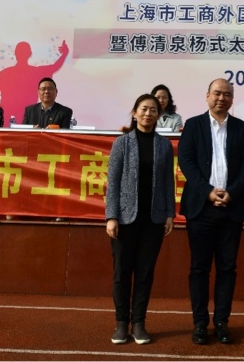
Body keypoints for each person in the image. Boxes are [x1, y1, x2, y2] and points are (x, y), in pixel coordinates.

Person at [178, 78, 244, 346]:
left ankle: (222, 322)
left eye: (227, 94)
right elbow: (186, 160)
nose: (221, 98)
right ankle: (200, 323)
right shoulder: (193, 125)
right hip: (201, 208)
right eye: (217, 93)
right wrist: (208, 191)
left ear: (232, 99)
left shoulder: (241, 128)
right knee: (199, 268)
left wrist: (231, 192)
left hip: (231, 208)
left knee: (227, 268)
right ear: (207, 96)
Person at [105, 94, 176, 345]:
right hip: (125, 219)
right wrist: (112, 216)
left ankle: (139, 323)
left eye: (153, 110)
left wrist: (170, 213)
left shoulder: (164, 145)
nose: (148, 114)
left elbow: (168, 182)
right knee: (122, 273)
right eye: (144, 109)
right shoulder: (122, 143)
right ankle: (121, 323)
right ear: (134, 113)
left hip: (153, 220)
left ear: (159, 115)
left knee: (145, 273)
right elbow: (113, 182)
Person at [0, 40, 69, 124]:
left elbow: (54, 67)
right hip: (8, 118)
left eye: (23, 52)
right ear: (30, 53)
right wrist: (64, 54)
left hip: (27, 118)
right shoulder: (33, 72)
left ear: (15, 54)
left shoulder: (7, 73)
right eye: (21, 52)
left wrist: (64, 54)